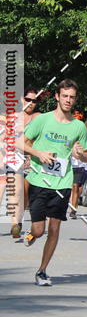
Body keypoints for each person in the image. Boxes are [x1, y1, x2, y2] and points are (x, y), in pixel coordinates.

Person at [19, 79, 87, 286]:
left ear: (75, 100)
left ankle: (42, 271)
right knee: (39, 230)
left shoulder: (78, 127)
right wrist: (38, 153)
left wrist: (81, 154)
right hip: (38, 180)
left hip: (62, 183)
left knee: (55, 228)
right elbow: (19, 142)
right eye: (65, 96)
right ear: (57, 97)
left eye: (72, 97)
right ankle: (32, 235)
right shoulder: (43, 120)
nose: (68, 100)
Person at [1, 86, 43, 240]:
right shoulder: (12, 117)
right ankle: (15, 224)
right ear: (21, 99)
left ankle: (20, 220)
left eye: (35, 100)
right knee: (16, 190)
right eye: (28, 99)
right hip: (15, 158)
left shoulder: (39, 117)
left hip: (34, 160)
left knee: (26, 194)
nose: (31, 103)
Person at [69, 110, 87, 218]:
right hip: (70, 164)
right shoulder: (68, 133)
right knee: (71, 187)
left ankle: (73, 209)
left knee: (77, 187)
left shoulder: (85, 134)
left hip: (81, 165)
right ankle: (69, 205)